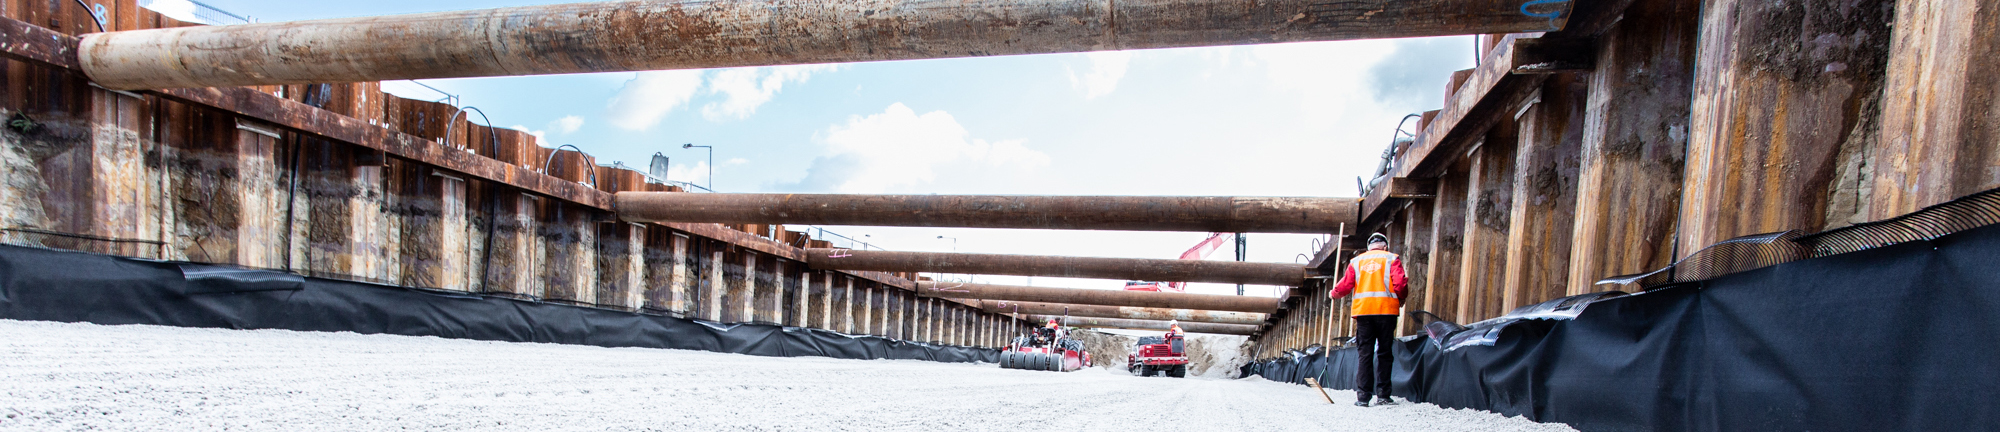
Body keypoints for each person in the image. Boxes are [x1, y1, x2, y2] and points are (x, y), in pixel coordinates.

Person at [1330, 232, 1408, 407]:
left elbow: (1345, 285)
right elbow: (1400, 283)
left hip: (1364, 313)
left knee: (1365, 354)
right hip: (1386, 311)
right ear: (1385, 246)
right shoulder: (1391, 258)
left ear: (1368, 247)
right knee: (1385, 353)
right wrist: (1401, 297)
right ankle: (1383, 396)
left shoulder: (1357, 262)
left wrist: (1333, 293)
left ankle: (1363, 397)